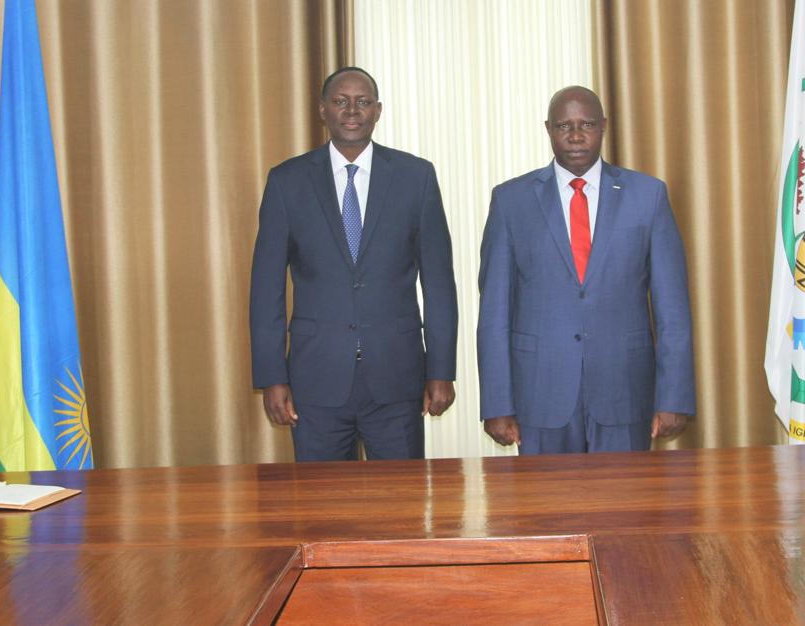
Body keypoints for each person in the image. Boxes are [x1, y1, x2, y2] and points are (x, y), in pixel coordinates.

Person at [249, 67, 457, 461]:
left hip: (397, 378)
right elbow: (266, 290)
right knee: (322, 513)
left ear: (377, 111)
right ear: (322, 110)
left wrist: (441, 369)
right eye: (340, 101)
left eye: (362, 102)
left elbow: (439, 283)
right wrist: (272, 376)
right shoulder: (287, 181)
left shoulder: (416, 177)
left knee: (401, 510)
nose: (352, 110)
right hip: (316, 379)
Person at [476, 86, 694, 454]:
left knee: (624, 510)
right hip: (541, 395)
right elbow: (494, 311)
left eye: (587, 124)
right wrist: (498, 404)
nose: (576, 135)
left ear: (604, 126)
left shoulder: (647, 195)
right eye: (564, 125)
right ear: (548, 129)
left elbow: (672, 308)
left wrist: (674, 396)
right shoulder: (511, 201)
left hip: (625, 392)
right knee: (546, 509)